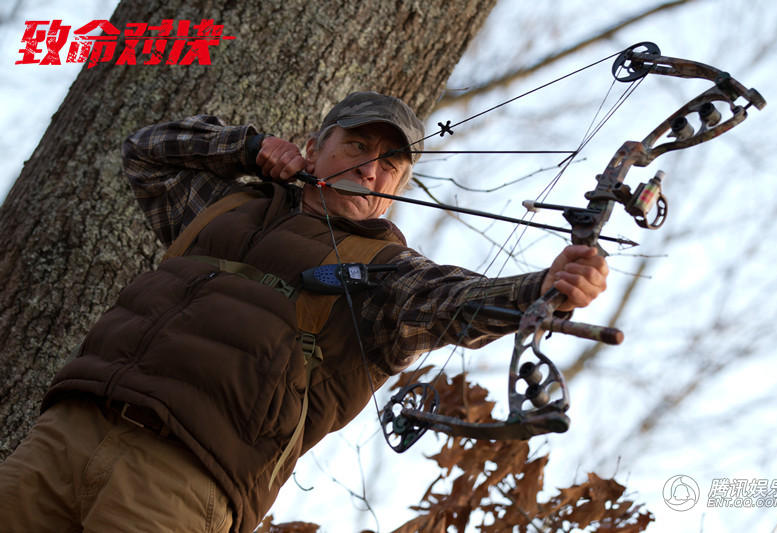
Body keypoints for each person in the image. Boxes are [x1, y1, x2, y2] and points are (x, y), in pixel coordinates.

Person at [0, 91, 608, 532]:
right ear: (313, 150)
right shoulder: (224, 206)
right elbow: (146, 152)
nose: (369, 168)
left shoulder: (386, 270)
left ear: (395, 190)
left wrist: (543, 287)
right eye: (357, 145)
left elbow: (455, 302)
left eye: (389, 164)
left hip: (187, 477)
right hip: (65, 433)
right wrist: (247, 148)